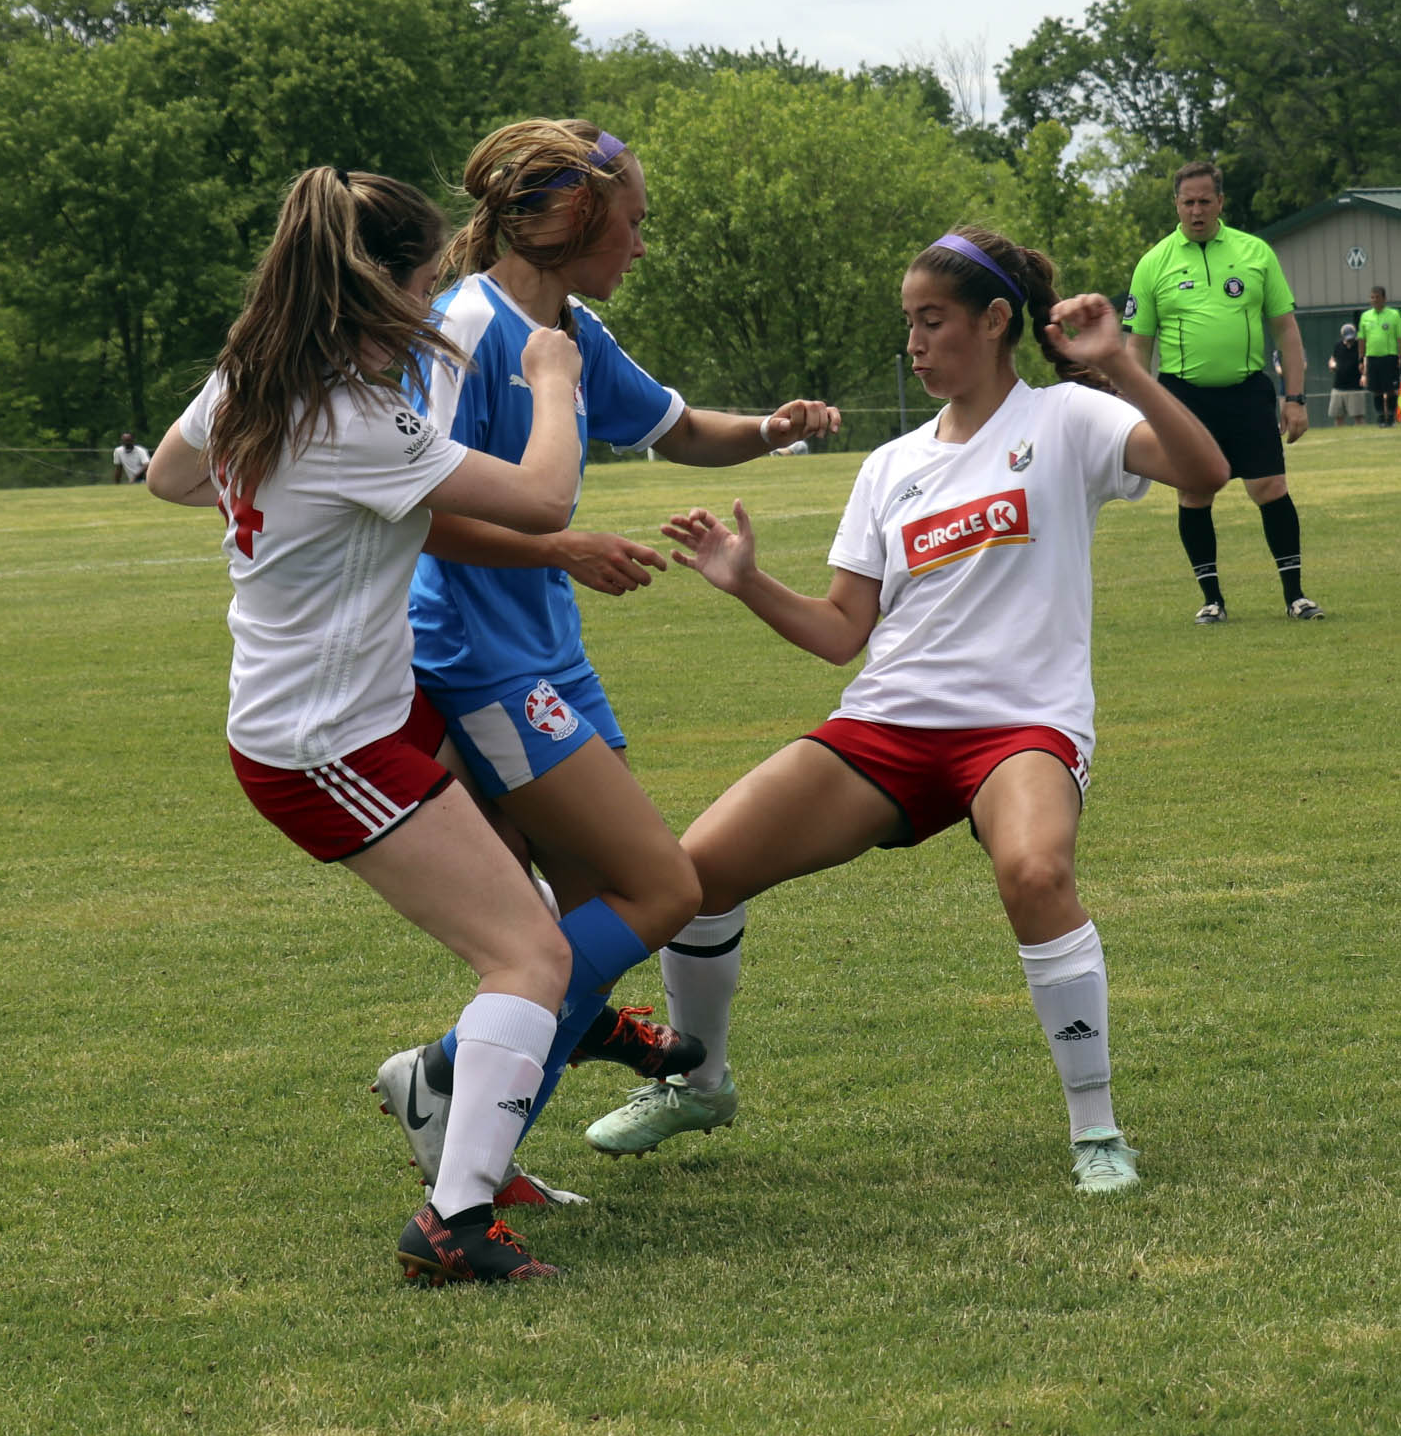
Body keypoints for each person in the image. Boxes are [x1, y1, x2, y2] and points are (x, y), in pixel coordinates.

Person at [581, 226, 1229, 1195]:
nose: (916, 342)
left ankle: (1095, 1129)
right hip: (888, 726)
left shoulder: (1065, 419)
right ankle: (700, 1082)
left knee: (1036, 869)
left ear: (996, 319)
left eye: (933, 321)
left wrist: (1123, 368)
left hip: (1022, 727)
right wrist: (747, 580)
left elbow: (1205, 471)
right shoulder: (890, 465)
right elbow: (844, 631)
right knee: (694, 874)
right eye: (909, 324)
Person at [370, 118, 839, 1199]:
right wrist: (559, 545)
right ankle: (443, 1074)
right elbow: (406, 509)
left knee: (594, 915)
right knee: (655, 887)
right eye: (630, 223)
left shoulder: (569, 331)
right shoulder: (462, 328)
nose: (640, 244)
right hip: (474, 658)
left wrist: (773, 427)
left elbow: (674, 428)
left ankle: (473, 1142)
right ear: (572, 219)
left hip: (546, 656)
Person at [145, 166, 589, 1286]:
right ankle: (453, 1220)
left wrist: (285, 511)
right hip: (322, 745)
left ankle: (467, 1096)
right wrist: (550, 374)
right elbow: (545, 500)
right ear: (381, 286)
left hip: (363, 710)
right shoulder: (348, 415)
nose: (437, 304)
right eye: (427, 282)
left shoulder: (254, 376)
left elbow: (169, 475)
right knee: (528, 950)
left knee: (530, 907)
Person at [1123, 159, 1322, 622]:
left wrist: (1295, 399)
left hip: (1247, 391)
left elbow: (1287, 331)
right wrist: (1135, 411)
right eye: (1187, 202)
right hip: (1183, 399)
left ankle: (1295, 596)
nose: (1196, 211)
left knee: (1270, 487)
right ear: (1176, 204)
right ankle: (1212, 600)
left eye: (1204, 201)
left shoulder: (1255, 253)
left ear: (1220, 202)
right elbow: (1137, 347)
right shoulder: (1154, 263)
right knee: (1194, 495)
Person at [1358, 285, 1400, 427]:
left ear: (1384, 299)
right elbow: (1362, 339)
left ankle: (1391, 418)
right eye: (1372, 297)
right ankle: (1381, 417)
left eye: (1377, 297)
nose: (1374, 300)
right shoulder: (1365, 316)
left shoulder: (1394, 315)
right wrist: (1361, 359)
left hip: (1389, 356)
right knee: (1376, 389)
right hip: (1372, 357)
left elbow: (1399, 337)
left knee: (1390, 388)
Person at [1328, 322, 1369, 426]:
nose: (1350, 340)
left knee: (1358, 417)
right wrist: (1332, 364)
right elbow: (1332, 359)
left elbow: (1365, 361)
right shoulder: (1338, 345)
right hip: (1338, 386)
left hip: (1355, 387)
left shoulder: (1360, 346)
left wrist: (1364, 375)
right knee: (1338, 417)